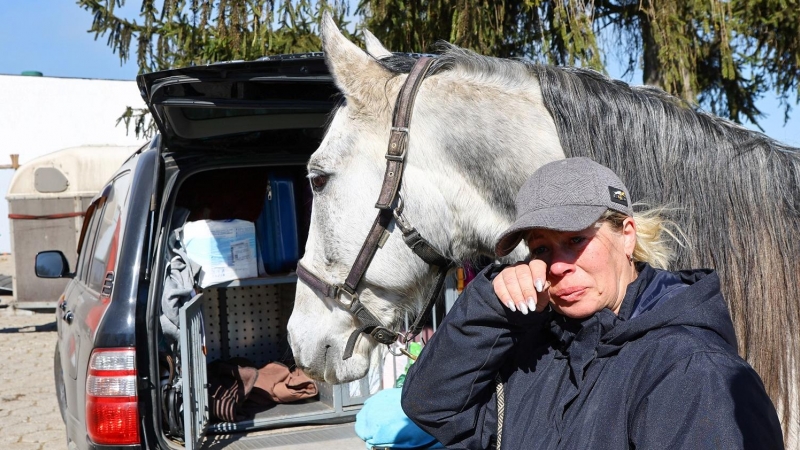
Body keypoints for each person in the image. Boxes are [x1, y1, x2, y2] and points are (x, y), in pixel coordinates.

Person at [401, 157, 783, 449]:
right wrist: (494, 306)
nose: (559, 266)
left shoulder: (691, 370)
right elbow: (432, 406)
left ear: (627, 235)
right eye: (542, 249)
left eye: (575, 240)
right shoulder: (538, 353)